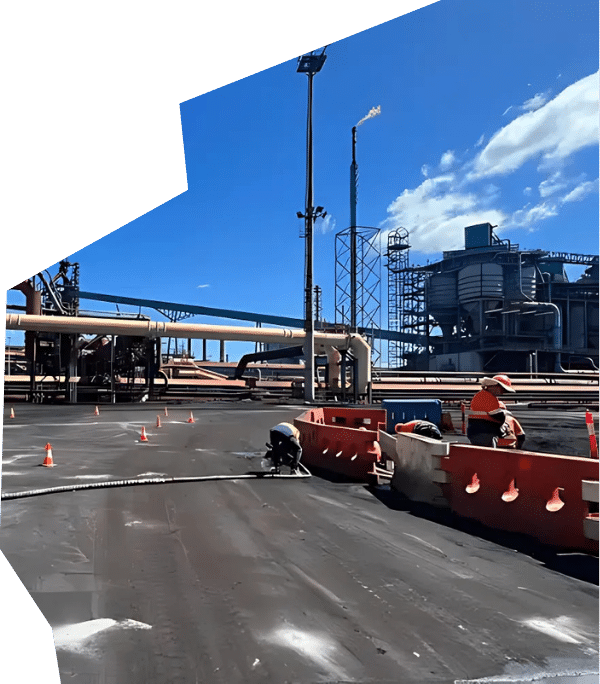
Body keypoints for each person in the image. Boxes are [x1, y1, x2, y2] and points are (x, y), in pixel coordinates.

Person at [467, 374, 515, 448]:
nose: (503, 392)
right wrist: (505, 413)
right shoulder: (487, 397)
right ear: (495, 385)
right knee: (488, 454)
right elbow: (497, 415)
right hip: (484, 432)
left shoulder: (484, 395)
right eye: (502, 389)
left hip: (480, 432)